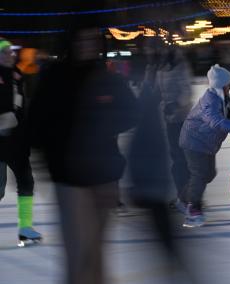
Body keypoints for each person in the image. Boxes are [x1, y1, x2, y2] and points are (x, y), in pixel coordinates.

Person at [29, 28, 139, 284]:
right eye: (83, 39)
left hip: (105, 176)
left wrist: (104, 125)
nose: (88, 45)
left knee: (96, 252)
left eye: (93, 39)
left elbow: (131, 111)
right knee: (79, 253)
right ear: (71, 42)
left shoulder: (105, 75)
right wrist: (51, 156)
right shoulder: (55, 78)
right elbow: (35, 124)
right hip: (70, 179)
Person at [179, 64, 230, 227]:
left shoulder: (223, 98)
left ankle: (184, 198)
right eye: (228, 84)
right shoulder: (209, 100)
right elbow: (215, 121)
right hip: (194, 141)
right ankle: (193, 208)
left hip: (206, 143)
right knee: (200, 174)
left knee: (208, 174)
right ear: (219, 85)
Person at [0, 38, 41, 244]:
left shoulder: (17, 75)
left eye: (11, 52)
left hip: (17, 142)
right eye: (5, 52)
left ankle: (25, 227)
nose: (10, 55)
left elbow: (22, 107)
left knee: (26, 182)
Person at [157, 45, 193, 212]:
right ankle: (182, 194)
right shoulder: (161, 67)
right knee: (176, 159)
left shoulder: (181, 66)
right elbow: (160, 91)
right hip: (169, 118)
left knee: (182, 159)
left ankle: (188, 196)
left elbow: (187, 90)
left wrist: (176, 104)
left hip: (182, 118)